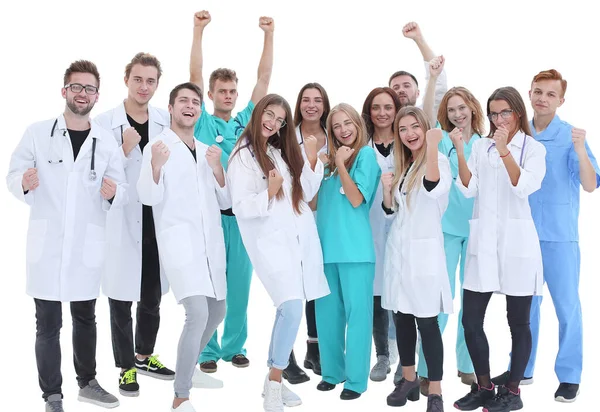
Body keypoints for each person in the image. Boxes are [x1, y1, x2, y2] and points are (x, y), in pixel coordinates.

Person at [6, 60, 126, 412]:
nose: (82, 94)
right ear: (64, 91)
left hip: (86, 245)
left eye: (89, 89)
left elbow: (123, 187)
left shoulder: (105, 141)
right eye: (76, 87)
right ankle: (52, 395)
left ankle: (87, 382)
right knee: (48, 322)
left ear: (97, 96)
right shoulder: (37, 132)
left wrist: (113, 194)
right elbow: (13, 172)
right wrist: (21, 184)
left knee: (86, 316)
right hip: (48, 244)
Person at [492, 69, 600, 403]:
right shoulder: (516, 135)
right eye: (538, 91)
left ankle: (569, 376)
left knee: (567, 308)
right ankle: (521, 369)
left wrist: (581, 151)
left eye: (551, 94)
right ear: (529, 93)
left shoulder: (570, 136)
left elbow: (590, 184)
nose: (542, 98)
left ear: (561, 100)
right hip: (523, 236)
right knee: (525, 309)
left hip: (559, 237)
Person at [227, 94, 330, 411]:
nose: (273, 123)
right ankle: (273, 383)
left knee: (290, 310)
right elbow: (241, 207)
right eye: (269, 115)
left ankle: (274, 380)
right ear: (258, 113)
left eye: (280, 119)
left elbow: (307, 191)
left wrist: (313, 159)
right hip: (270, 245)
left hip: (297, 241)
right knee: (291, 308)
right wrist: (268, 194)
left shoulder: (280, 152)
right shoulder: (242, 157)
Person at [189, 10, 274, 376]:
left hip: (241, 218)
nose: (227, 94)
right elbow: (192, 75)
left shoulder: (246, 122)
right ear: (210, 94)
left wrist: (269, 34)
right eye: (220, 90)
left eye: (231, 91)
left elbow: (264, 78)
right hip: (209, 217)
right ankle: (207, 350)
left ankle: (235, 346)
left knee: (239, 285)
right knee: (210, 285)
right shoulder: (202, 121)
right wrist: (198, 31)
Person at [137, 82, 230, 412]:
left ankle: (186, 367)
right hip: (179, 245)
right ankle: (181, 396)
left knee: (218, 310)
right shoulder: (157, 147)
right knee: (198, 312)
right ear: (172, 108)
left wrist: (218, 167)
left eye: (195, 102)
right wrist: (156, 166)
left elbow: (226, 200)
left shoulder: (207, 150)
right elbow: (147, 197)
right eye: (183, 101)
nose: (190, 106)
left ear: (200, 111)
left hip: (209, 247)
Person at [453, 87, 546, 412]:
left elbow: (523, 186)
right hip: (483, 244)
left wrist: (505, 151)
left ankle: (513, 391)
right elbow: (468, 188)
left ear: (518, 113)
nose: (498, 119)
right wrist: (462, 152)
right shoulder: (481, 145)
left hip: (517, 245)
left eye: (504, 112)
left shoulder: (533, 149)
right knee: (471, 321)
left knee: (518, 323)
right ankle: (483, 386)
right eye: (493, 113)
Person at [95, 52, 174, 397]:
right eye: (138, 79)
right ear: (126, 79)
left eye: (151, 80)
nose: (144, 86)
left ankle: (144, 355)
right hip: (122, 217)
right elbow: (95, 175)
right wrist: (125, 150)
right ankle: (126, 366)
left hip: (156, 218)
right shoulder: (104, 123)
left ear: (158, 84)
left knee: (152, 294)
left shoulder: (164, 120)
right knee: (120, 297)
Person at [381, 106, 451, 412]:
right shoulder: (405, 165)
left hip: (423, 256)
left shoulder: (438, 161)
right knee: (403, 319)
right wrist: (386, 190)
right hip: (400, 254)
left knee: (427, 323)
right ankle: (407, 379)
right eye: (403, 129)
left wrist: (434, 146)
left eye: (414, 127)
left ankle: (434, 391)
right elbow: (392, 211)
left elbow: (433, 187)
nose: (409, 134)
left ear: (425, 128)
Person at [416, 86, 483, 396]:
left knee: (472, 303)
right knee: (440, 300)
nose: (457, 114)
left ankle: (467, 364)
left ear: (472, 108)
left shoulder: (484, 144)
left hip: (476, 230)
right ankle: (426, 369)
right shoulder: (440, 140)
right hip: (445, 228)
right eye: (451, 109)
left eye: (462, 107)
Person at [313, 103, 382, 400]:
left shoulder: (366, 156)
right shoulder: (327, 162)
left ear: (357, 124)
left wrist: (341, 164)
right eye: (337, 126)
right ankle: (332, 373)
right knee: (327, 316)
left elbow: (356, 200)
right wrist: (319, 165)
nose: (343, 130)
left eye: (348, 123)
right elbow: (313, 204)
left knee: (358, 317)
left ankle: (355, 380)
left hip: (355, 252)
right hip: (325, 250)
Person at [282, 82, 331, 384]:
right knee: (290, 286)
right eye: (305, 100)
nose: (311, 105)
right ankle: (284, 355)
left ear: (325, 105)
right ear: (298, 104)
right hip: (296, 216)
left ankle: (314, 348)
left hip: (327, 219)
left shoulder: (334, 135)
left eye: (318, 100)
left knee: (316, 285)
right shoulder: (288, 137)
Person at [360, 87, 401, 382]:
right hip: (369, 224)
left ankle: (403, 356)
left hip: (402, 226)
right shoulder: (362, 145)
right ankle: (382, 355)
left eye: (388, 107)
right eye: (377, 107)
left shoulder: (407, 141)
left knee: (400, 292)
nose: (383, 113)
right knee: (377, 295)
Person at [388, 22, 447, 115]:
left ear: (417, 93)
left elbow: (437, 84)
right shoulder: (384, 120)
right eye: (396, 87)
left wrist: (419, 39)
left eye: (407, 85)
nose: (401, 90)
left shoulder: (424, 115)